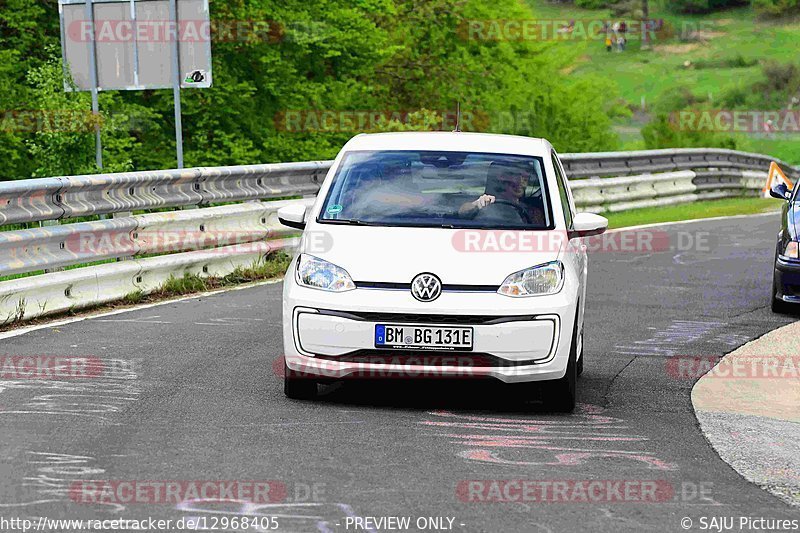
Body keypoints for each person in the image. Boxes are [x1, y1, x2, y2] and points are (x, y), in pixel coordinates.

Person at [459, 162, 545, 225]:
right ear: (501, 180)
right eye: (514, 176)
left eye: (524, 178)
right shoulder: (485, 203)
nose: (520, 182)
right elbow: (462, 212)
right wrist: (476, 204)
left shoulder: (533, 212)